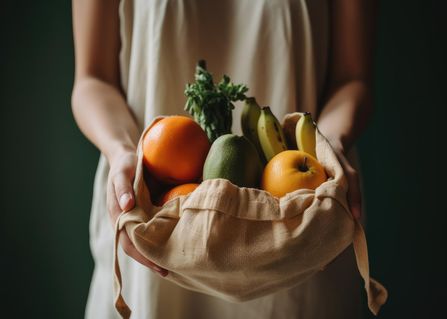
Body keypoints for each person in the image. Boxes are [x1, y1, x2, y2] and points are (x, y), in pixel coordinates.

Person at [71, 0, 374, 318]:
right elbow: (93, 79)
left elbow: (352, 77)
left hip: (304, 233)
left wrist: (330, 148)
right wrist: (121, 152)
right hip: (151, 222)